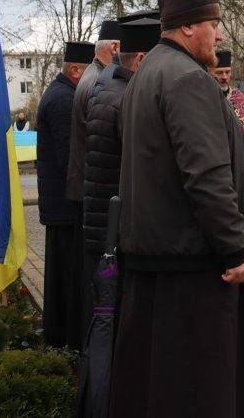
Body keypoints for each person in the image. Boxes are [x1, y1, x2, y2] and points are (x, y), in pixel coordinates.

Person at [110, 0, 244, 417]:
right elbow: (205, 175)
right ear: (187, 26)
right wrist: (234, 250)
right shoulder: (187, 79)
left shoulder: (149, 73)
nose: (219, 33)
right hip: (195, 269)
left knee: (162, 387)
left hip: (162, 260)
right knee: (201, 391)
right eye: (214, 22)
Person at [79, 18, 160, 345]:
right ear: (140, 61)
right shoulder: (126, 98)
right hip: (119, 229)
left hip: (106, 224)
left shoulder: (109, 87)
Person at [36, 40, 94, 350]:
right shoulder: (63, 100)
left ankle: (58, 335)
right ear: (75, 70)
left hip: (59, 205)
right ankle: (62, 338)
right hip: (65, 205)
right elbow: (70, 157)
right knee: (66, 277)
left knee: (61, 275)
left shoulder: (61, 93)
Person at [66, 20, 120, 207]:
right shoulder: (100, 81)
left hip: (88, 184)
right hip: (95, 187)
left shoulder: (92, 72)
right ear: (114, 47)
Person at [212, 49, 244, 166]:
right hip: (216, 159)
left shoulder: (239, 96)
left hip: (240, 158)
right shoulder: (204, 96)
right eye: (219, 73)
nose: (224, 77)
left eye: (227, 72)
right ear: (210, 72)